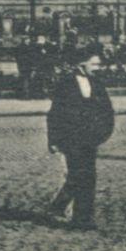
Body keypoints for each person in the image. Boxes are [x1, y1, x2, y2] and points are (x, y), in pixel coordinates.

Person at [45, 45, 115, 230]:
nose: (98, 67)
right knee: (79, 175)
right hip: (71, 138)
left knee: (88, 177)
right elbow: (55, 114)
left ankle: (79, 216)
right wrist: (53, 140)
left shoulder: (98, 84)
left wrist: (103, 133)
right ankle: (75, 215)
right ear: (82, 64)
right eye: (95, 64)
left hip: (90, 139)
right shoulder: (65, 84)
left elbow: (107, 111)